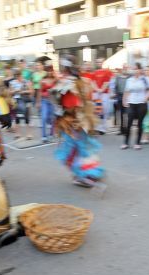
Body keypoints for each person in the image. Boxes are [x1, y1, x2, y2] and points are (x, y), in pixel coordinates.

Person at [52, 55, 105, 189]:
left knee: (75, 150)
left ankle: (84, 175)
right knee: (81, 148)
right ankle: (82, 175)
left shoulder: (68, 82)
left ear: (65, 67)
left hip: (73, 121)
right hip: (79, 120)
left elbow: (70, 104)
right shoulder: (82, 80)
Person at [120, 63, 149, 150]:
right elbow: (126, 91)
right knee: (129, 123)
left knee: (140, 123)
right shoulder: (129, 80)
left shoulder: (144, 79)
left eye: (136, 69)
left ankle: (137, 143)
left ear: (140, 70)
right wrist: (124, 101)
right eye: (133, 69)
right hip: (131, 103)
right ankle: (125, 142)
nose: (135, 70)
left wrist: (146, 98)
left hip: (141, 104)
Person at [9, 69, 34, 139]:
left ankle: (29, 134)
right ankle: (17, 133)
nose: (18, 78)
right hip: (16, 101)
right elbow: (10, 92)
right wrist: (15, 91)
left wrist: (23, 91)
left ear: (21, 75)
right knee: (17, 117)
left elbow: (31, 91)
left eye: (19, 76)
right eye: (16, 76)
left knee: (27, 117)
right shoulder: (12, 82)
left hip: (26, 101)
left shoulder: (27, 81)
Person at [92, 58, 113, 134]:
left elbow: (107, 82)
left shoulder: (107, 72)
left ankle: (103, 128)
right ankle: (97, 128)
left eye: (100, 62)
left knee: (104, 111)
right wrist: (97, 90)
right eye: (98, 62)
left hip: (104, 94)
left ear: (103, 63)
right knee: (97, 111)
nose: (99, 63)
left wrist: (101, 90)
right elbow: (93, 82)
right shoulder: (94, 72)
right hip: (96, 93)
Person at [39, 61, 57, 143]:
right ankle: (44, 136)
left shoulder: (55, 79)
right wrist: (38, 102)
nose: (49, 72)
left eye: (51, 70)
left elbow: (59, 90)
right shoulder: (43, 80)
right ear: (46, 71)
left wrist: (53, 90)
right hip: (44, 100)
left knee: (52, 118)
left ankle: (51, 134)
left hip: (53, 101)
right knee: (44, 117)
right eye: (48, 70)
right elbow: (40, 91)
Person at [113, 64, 129, 135]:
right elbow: (115, 87)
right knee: (121, 113)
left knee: (127, 114)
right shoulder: (118, 77)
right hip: (120, 96)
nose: (125, 69)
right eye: (124, 68)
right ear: (122, 68)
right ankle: (121, 129)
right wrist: (115, 95)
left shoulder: (130, 77)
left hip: (128, 96)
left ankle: (126, 129)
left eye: (126, 68)